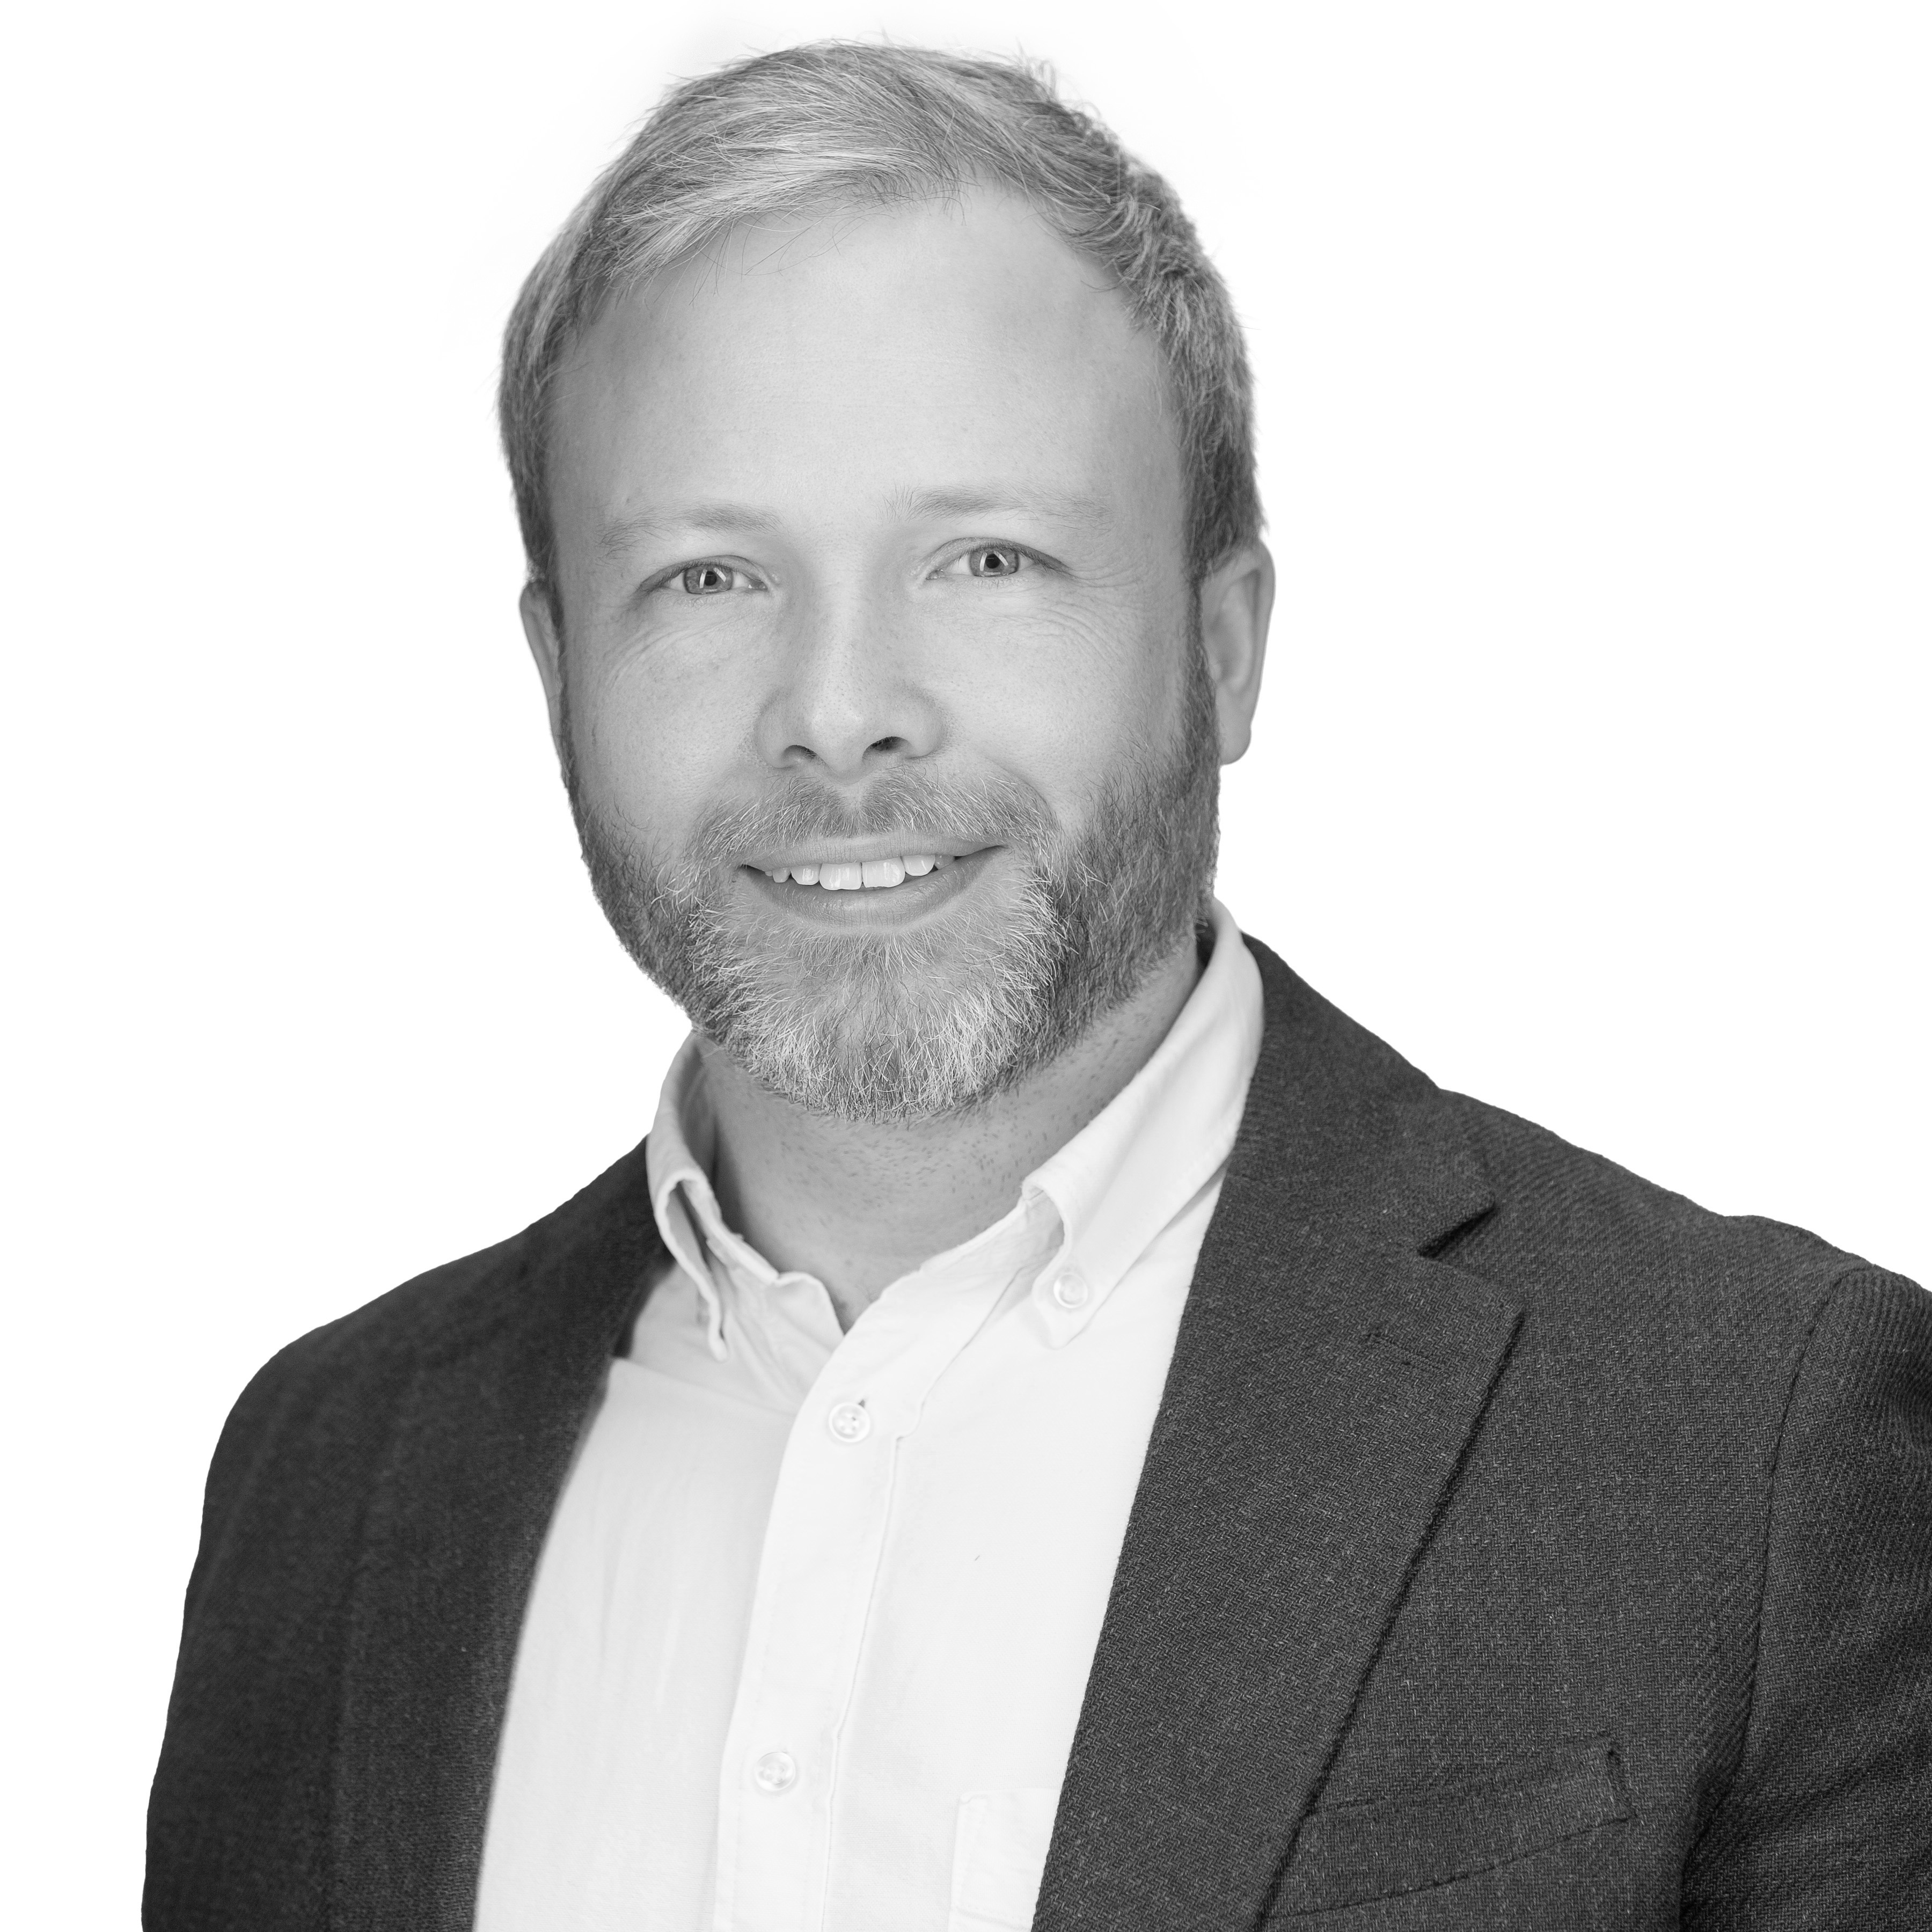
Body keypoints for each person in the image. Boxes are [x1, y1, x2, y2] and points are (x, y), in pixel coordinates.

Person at [144, 41, 1930, 1932]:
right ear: (557, 670)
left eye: (988, 558)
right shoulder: (325, 1480)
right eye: (707, 578)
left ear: (1225, 650)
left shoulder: (1746, 1458)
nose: (841, 711)